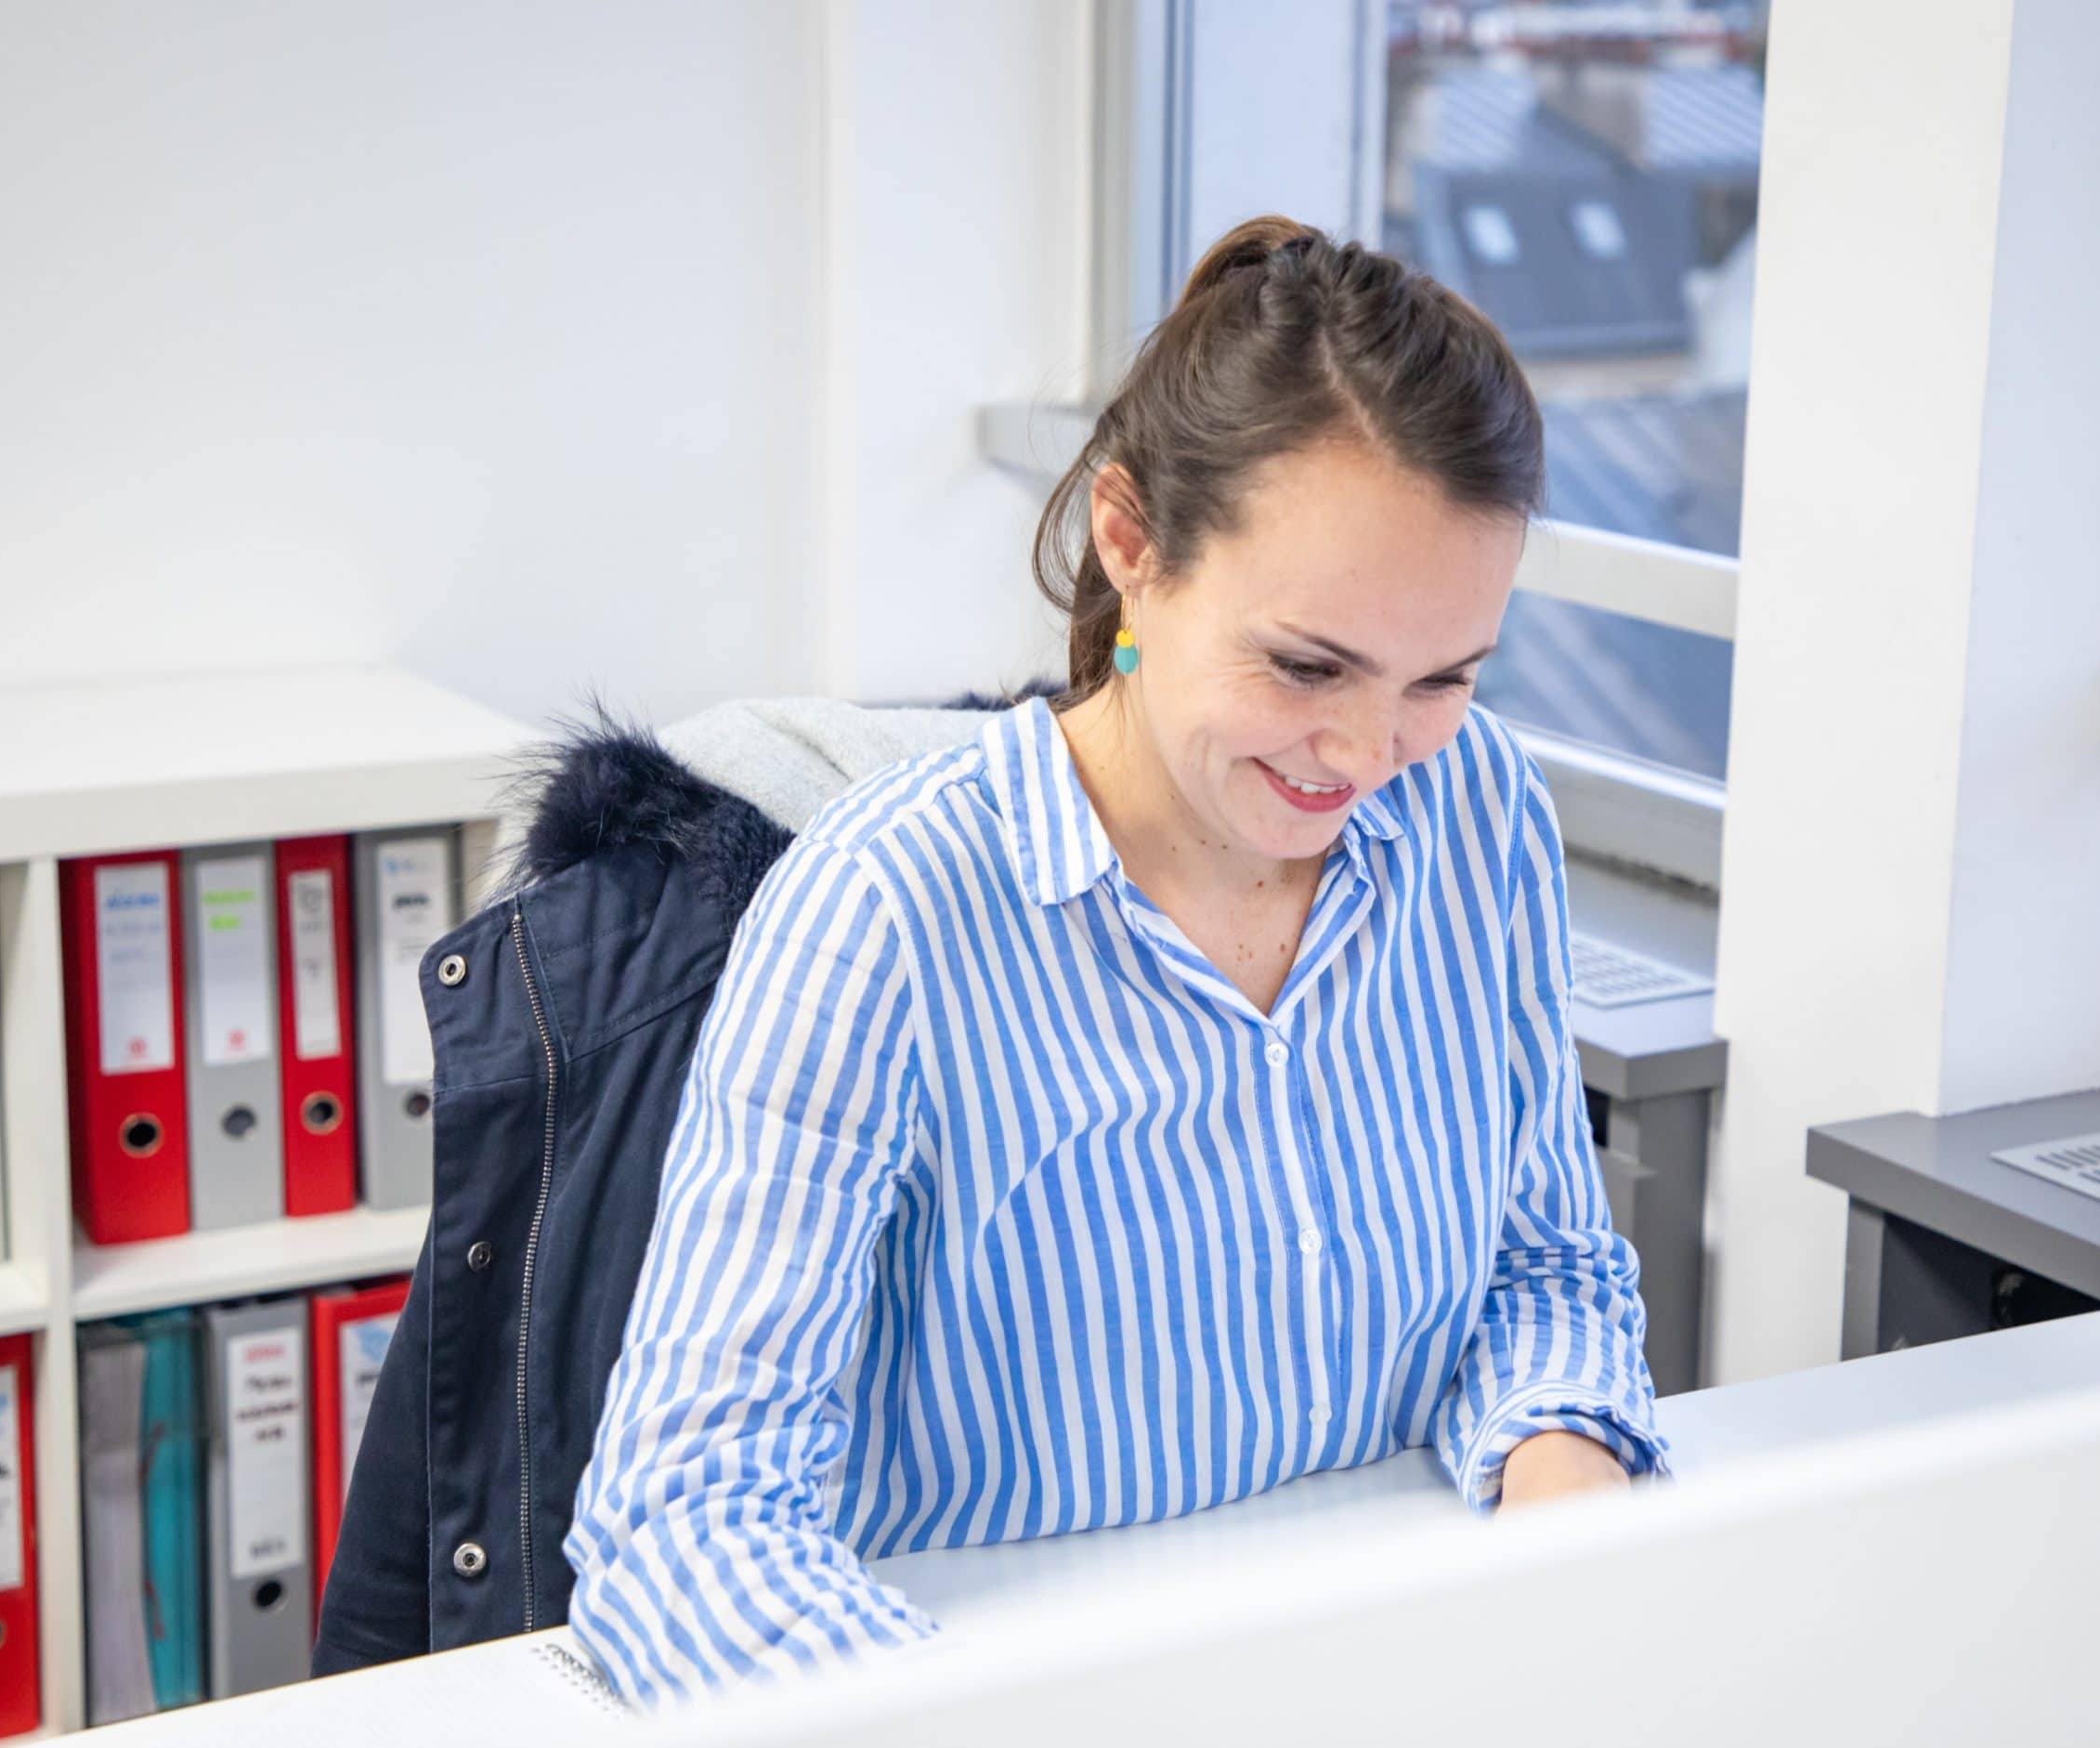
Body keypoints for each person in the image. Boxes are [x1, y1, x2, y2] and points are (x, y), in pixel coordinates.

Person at [563, 214, 1671, 1707]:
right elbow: (683, 1515)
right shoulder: (889, 910)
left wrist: (1561, 1501)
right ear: (1129, 541)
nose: (1366, 753)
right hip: (1008, 1683)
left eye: (1443, 679)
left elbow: (1540, 1267)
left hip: (1398, 1660)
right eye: (1307, 664)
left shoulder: (1477, 819)